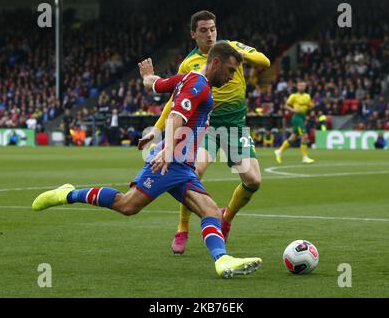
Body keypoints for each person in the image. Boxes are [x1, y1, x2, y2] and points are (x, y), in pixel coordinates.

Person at [32, 42, 262, 279]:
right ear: (215, 62)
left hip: (182, 166)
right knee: (127, 205)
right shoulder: (198, 85)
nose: (232, 76)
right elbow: (175, 116)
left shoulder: (187, 78)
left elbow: (157, 85)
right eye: (231, 70)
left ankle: (222, 261)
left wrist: (148, 77)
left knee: (211, 212)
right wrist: (169, 149)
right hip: (170, 163)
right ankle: (67, 194)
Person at [138, 10, 270, 254]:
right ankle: (182, 228)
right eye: (203, 30)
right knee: (192, 171)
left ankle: (226, 218)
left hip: (235, 126)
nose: (209, 34)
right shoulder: (189, 63)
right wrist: (156, 131)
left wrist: (238, 55)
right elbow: (174, 102)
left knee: (253, 180)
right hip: (204, 126)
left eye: (212, 29)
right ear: (193, 34)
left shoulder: (230, 48)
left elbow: (264, 61)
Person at [274, 80, 315, 164]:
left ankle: (279, 151)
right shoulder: (294, 96)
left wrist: (311, 107)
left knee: (293, 137)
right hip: (297, 118)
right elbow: (286, 105)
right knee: (304, 136)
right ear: (297, 86)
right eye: (300, 85)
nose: (302, 87)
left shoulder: (307, 96)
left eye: (303, 86)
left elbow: (310, 106)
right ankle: (305, 157)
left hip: (302, 117)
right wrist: (293, 110)